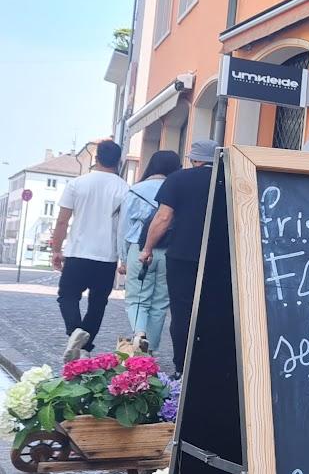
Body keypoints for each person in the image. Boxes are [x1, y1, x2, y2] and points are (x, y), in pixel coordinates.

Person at [138, 139, 216, 377]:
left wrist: (147, 248)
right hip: (220, 258)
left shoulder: (178, 179)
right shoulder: (232, 179)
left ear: (195, 159)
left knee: (182, 313)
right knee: (214, 311)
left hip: (182, 255)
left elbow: (163, 218)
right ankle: (210, 367)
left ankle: (183, 368)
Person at [51, 139, 129, 362]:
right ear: (119, 160)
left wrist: (57, 250)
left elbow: (62, 222)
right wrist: (124, 257)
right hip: (107, 256)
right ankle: (84, 344)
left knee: (67, 296)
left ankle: (75, 332)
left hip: (77, 252)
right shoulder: (124, 189)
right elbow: (124, 227)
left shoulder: (77, 184)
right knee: (98, 303)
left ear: (96, 159)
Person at [118, 150, 182, 353]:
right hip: (168, 250)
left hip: (140, 248)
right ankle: (149, 351)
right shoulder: (177, 189)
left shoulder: (135, 190)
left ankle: (139, 334)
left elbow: (124, 227)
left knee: (137, 298)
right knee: (161, 302)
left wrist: (123, 257)